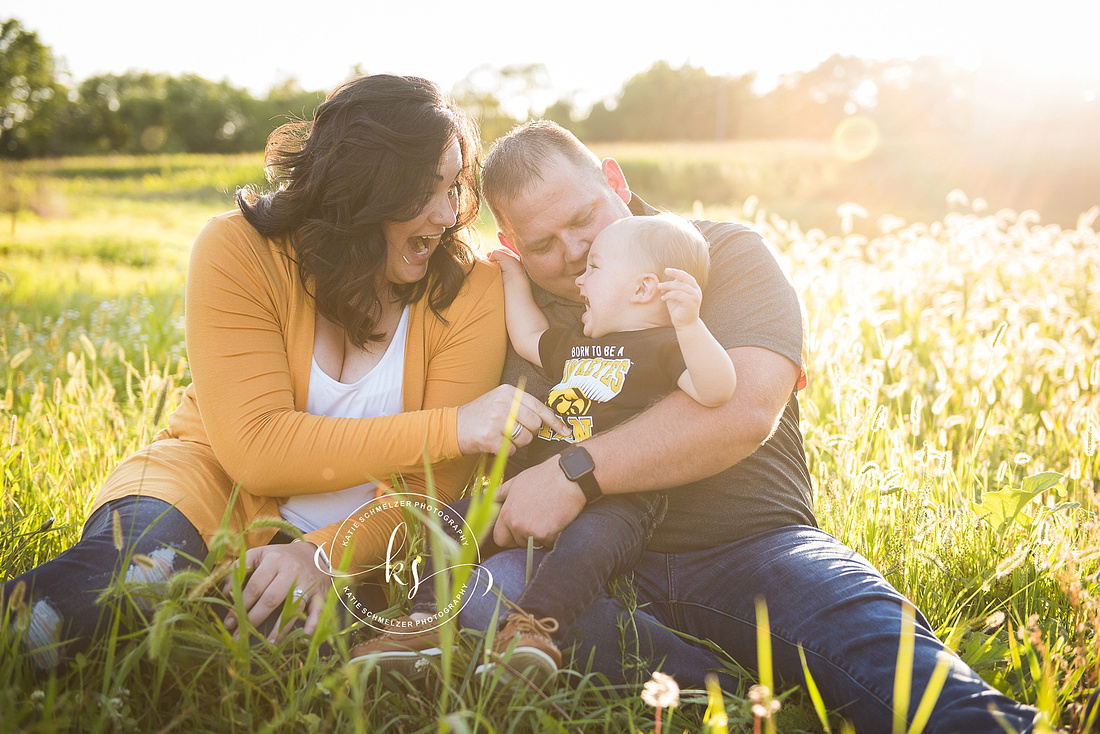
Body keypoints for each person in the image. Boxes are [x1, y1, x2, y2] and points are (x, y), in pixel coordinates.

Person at [456, 120, 1041, 733]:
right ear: (511, 243)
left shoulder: (720, 255)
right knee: (485, 595)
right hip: (581, 566)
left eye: (582, 221)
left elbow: (743, 412)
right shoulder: (513, 308)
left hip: (752, 545)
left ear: (615, 181)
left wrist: (575, 473)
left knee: (904, 673)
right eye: (544, 243)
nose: (573, 252)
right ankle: (742, 709)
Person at [1, 74, 567, 671]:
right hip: (204, 493)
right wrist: (452, 426)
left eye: (454, 185)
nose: (448, 214)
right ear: (360, 186)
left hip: (358, 546)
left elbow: (433, 492)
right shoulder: (238, 248)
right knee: (126, 585)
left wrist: (324, 556)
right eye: (426, 188)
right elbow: (255, 448)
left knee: (230, 653)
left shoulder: (471, 291)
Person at [349, 213, 735, 682]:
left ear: (642, 290)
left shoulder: (665, 346)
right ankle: (425, 625)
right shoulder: (576, 344)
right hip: (533, 488)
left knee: (583, 549)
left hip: (618, 500)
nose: (580, 278)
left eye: (594, 267)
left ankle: (533, 630)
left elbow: (717, 389)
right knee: (449, 524)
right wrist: (513, 275)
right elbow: (528, 334)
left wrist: (690, 324)